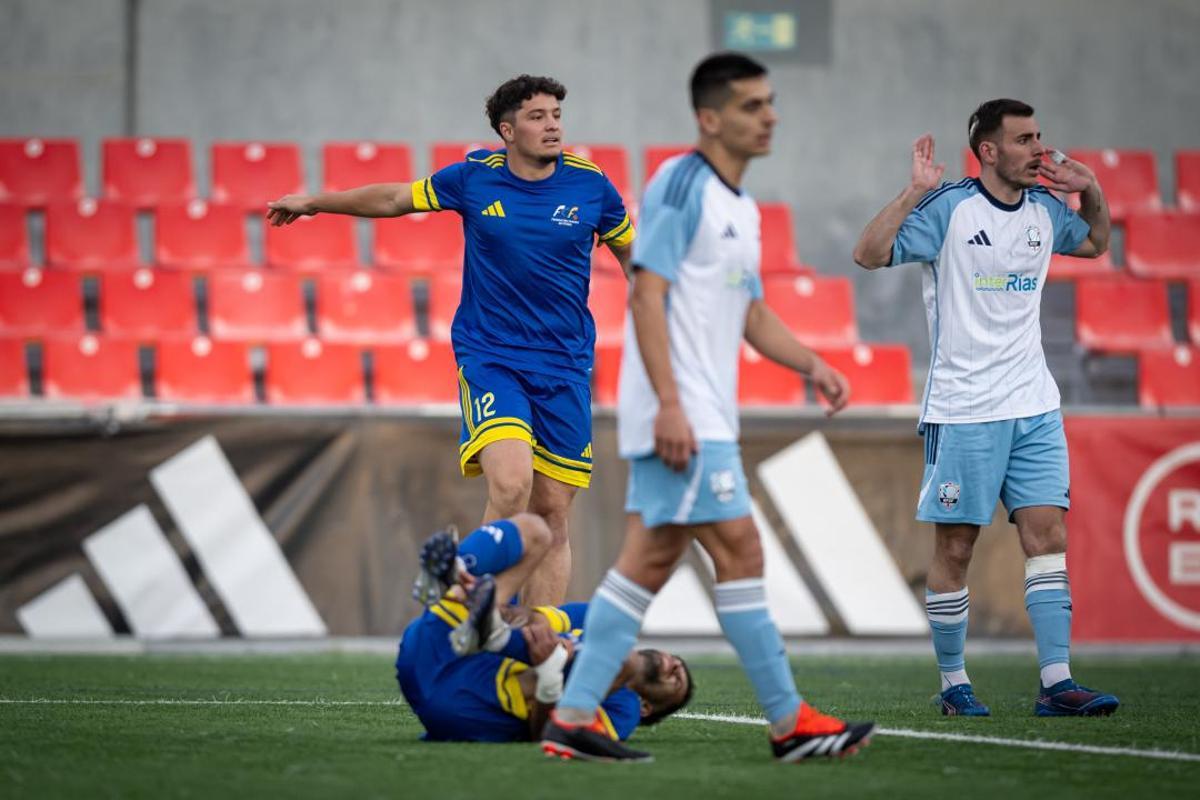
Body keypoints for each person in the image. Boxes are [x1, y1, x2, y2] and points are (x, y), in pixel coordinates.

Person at [539, 53, 875, 764]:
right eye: (753, 105)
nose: (770, 116)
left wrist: (813, 363)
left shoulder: (742, 208)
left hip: (703, 413)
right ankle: (789, 723)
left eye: (771, 102)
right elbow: (645, 291)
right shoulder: (679, 184)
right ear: (710, 117)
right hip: (683, 413)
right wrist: (668, 404)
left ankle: (572, 717)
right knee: (735, 550)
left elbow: (749, 311)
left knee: (650, 561)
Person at [267, 76, 635, 606]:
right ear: (507, 131)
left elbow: (632, 258)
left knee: (553, 516)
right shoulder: (473, 179)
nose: (553, 124)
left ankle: (542, 654)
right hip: (493, 357)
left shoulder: (592, 186)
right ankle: (465, 597)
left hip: (566, 366)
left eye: (556, 114)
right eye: (537, 116)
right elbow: (395, 198)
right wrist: (316, 202)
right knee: (511, 486)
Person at [851, 98, 1120, 718]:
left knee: (1047, 536)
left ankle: (1057, 683)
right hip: (965, 406)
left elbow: (1098, 244)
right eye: (1024, 140)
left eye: (1039, 137)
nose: (1038, 150)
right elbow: (867, 253)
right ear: (989, 151)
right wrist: (911, 191)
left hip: (1035, 404)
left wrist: (1094, 189)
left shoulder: (1048, 211)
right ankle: (953, 685)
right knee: (956, 549)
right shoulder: (948, 208)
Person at [397, 513, 692, 744]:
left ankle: (490, 626)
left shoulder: (623, 712)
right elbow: (531, 617)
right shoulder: (597, 620)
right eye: (679, 663)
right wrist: (502, 608)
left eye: (676, 682)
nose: (676, 666)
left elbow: (549, 733)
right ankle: (452, 573)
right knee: (536, 531)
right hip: (437, 645)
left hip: (460, 704)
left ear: (646, 708)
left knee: (584, 658)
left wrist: (549, 676)